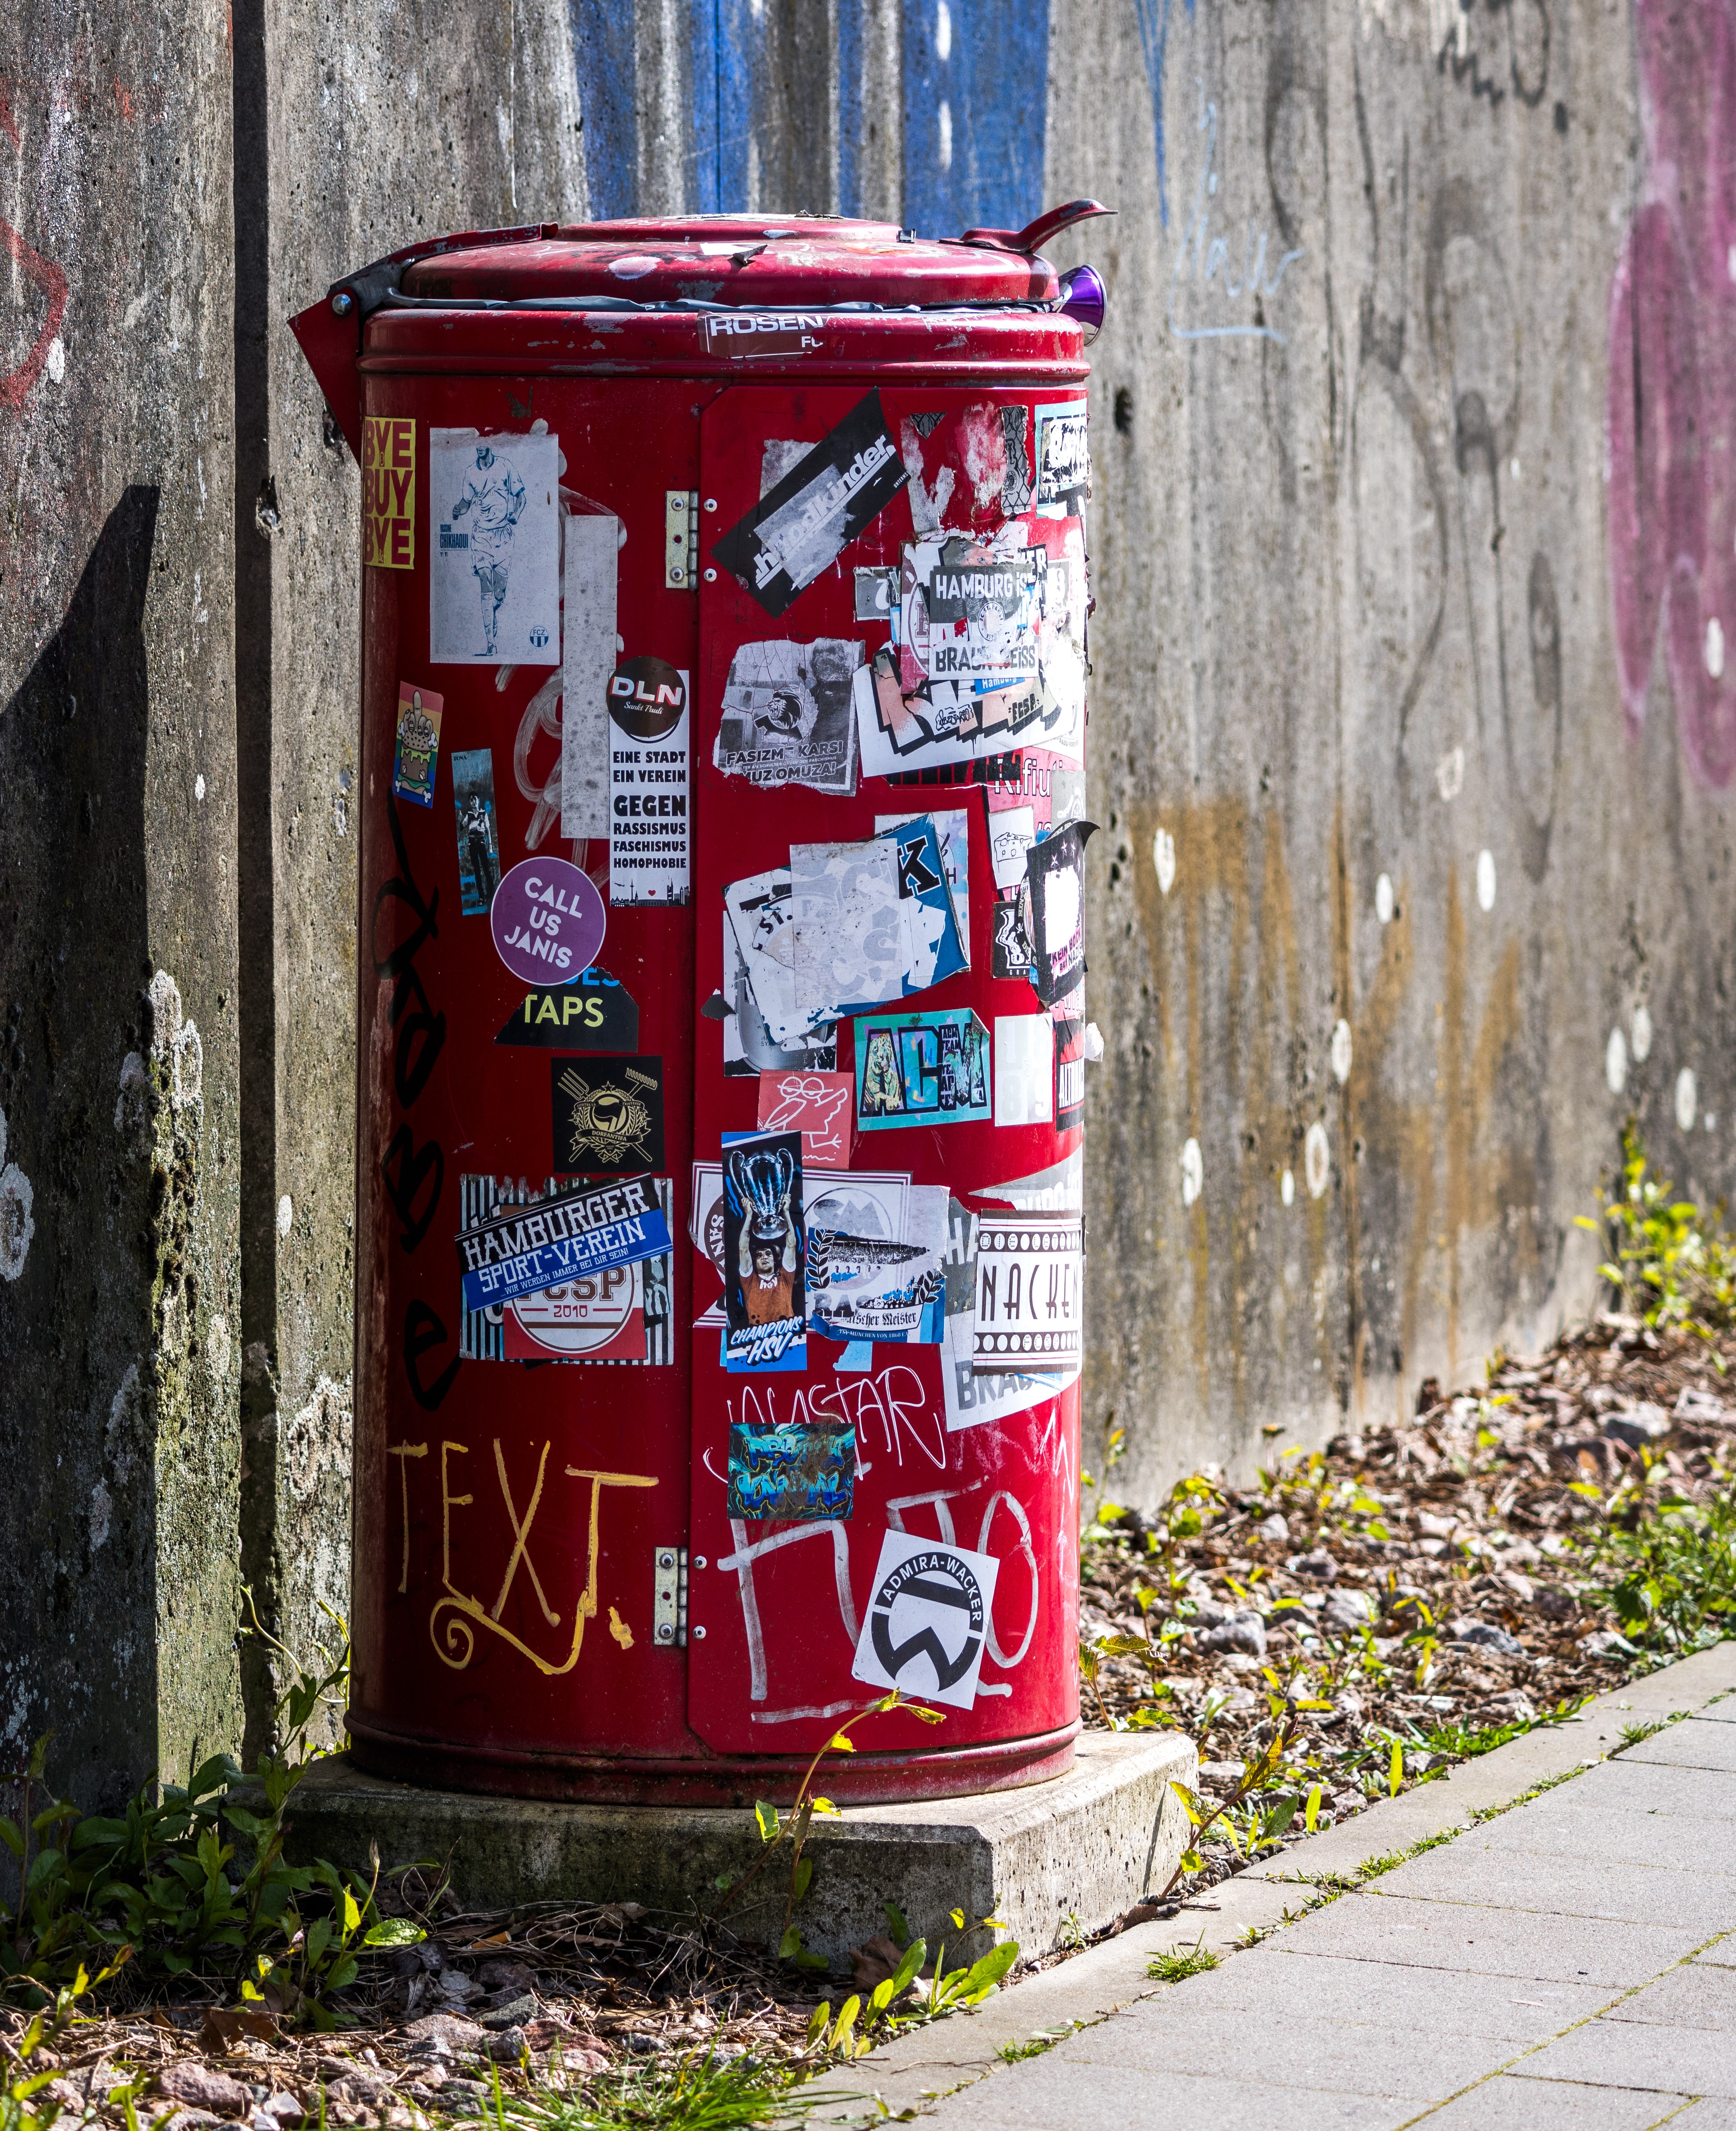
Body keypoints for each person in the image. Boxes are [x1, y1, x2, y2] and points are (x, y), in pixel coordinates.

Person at [451, 445, 527, 656]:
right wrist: (458, 510)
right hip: (481, 537)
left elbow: (521, 498)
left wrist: (516, 515)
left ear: (490, 445)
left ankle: (491, 611)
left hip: (503, 537)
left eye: (485, 444)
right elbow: (466, 502)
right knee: (485, 582)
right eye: (478, 445)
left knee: (499, 593)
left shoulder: (505, 466)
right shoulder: (470, 473)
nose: (481, 448)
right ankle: (491, 644)